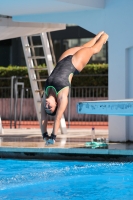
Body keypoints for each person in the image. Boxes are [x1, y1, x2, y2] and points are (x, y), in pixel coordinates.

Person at [41, 31, 109, 145]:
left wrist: (44, 135)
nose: (46, 106)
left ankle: (97, 36)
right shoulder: (62, 97)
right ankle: (104, 37)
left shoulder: (46, 94)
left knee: (83, 46)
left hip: (63, 60)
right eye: (50, 108)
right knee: (93, 50)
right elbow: (57, 118)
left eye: (46, 107)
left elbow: (43, 117)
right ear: (56, 105)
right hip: (75, 63)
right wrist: (52, 137)